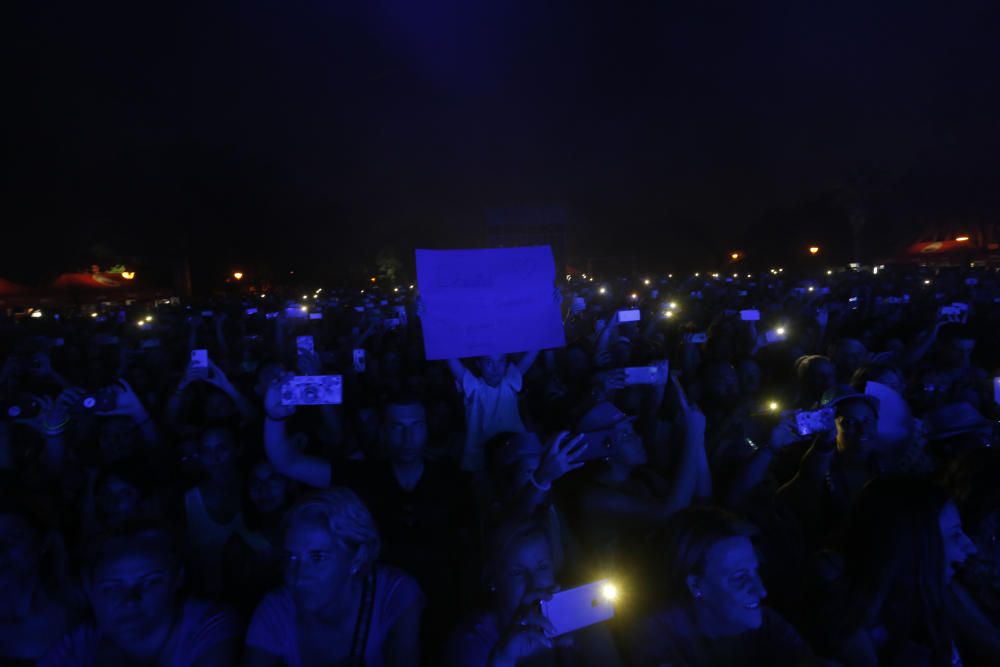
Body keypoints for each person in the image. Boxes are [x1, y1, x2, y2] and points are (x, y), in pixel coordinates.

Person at [803, 476, 997, 666]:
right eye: (955, 534)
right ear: (913, 545)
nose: (971, 546)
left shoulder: (931, 600)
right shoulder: (856, 622)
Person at [243, 488, 424, 667]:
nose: (298, 576)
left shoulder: (394, 595)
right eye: (292, 557)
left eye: (317, 557)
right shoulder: (276, 611)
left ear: (357, 558)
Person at [627, 506, 820, 667]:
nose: (761, 591)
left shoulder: (765, 622)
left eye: (756, 572)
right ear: (696, 585)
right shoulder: (656, 640)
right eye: (740, 577)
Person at [41, 521, 241, 667]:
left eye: (151, 582)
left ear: (177, 578)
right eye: (112, 587)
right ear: (88, 587)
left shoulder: (209, 627)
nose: (131, 601)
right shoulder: (75, 647)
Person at [444, 516, 622, 667]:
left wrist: (594, 641)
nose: (534, 583)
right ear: (493, 579)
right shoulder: (471, 640)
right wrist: (503, 659)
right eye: (517, 572)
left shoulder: (581, 622)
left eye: (542, 567)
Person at [445, 352, 538, 473]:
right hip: (481, 462)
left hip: (516, 454)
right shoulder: (475, 388)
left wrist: (539, 340)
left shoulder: (509, 383)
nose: (496, 368)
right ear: (479, 364)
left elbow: (528, 359)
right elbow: (451, 359)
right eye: (489, 362)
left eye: (501, 361)